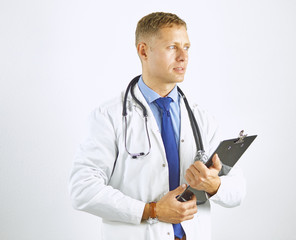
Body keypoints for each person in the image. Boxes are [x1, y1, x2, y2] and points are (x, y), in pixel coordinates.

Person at [69, 12, 246, 240]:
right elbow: (82, 189)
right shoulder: (108, 117)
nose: (183, 57)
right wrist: (151, 211)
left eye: (187, 47)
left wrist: (214, 185)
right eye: (172, 47)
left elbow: (238, 191)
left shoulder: (202, 118)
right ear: (144, 51)